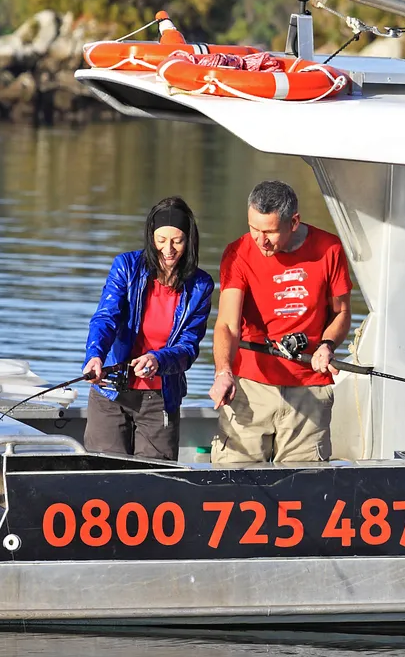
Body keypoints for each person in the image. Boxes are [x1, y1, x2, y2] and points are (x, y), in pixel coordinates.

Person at [209, 180, 352, 464]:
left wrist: (327, 345)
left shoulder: (329, 249)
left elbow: (341, 313)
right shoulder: (238, 252)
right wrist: (223, 371)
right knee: (232, 479)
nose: (260, 240)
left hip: (309, 389)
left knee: (304, 483)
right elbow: (227, 325)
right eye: (253, 228)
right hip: (249, 387)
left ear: (294, 222)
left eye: (270, 232)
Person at [83, 197, 214, 460]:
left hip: (160, 398)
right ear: (151, 238)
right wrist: (95, 356)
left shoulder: (201, 285)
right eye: (161, 240)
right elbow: (106, 318)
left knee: (153, 476)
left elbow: (188, 347)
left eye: (177, 241)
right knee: (102, 472)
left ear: (189, 240)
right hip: (111, 391)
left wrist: (158, 359)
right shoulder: (126, 266)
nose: (168, 249)